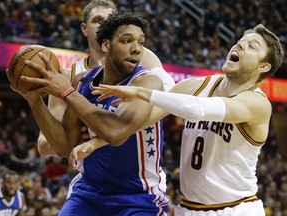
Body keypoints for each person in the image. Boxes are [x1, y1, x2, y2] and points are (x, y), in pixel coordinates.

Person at [90, 24, 284, 215]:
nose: (240, 45)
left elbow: (196, 109)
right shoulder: (198, 85)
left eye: (252, 46)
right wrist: (96, 142)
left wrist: (139, 91)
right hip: (189, 209)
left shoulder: (257, 103)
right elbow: (147, 118)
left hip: (238, 209)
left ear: (264, 66)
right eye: (241, 41)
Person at [15, 11, 170, 215]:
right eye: (127, 41)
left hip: (137, 196)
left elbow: (116, 132)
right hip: (89, 192)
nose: (136, 49)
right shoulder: (83, 83)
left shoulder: (146, 82)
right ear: (106, 45)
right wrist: (34, 101)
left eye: (141, 43)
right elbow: (64, 146)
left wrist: (67, 92)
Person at [38, 0, 174, 158]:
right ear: (84, 29)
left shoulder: (143, 57)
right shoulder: (72, 76)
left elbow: (172, 99)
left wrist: (102, 132)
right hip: (91, 174)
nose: (105, 25)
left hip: (137, 173)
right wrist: (82, 134)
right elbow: (45, 147)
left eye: (110, 19)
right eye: (98, 20)